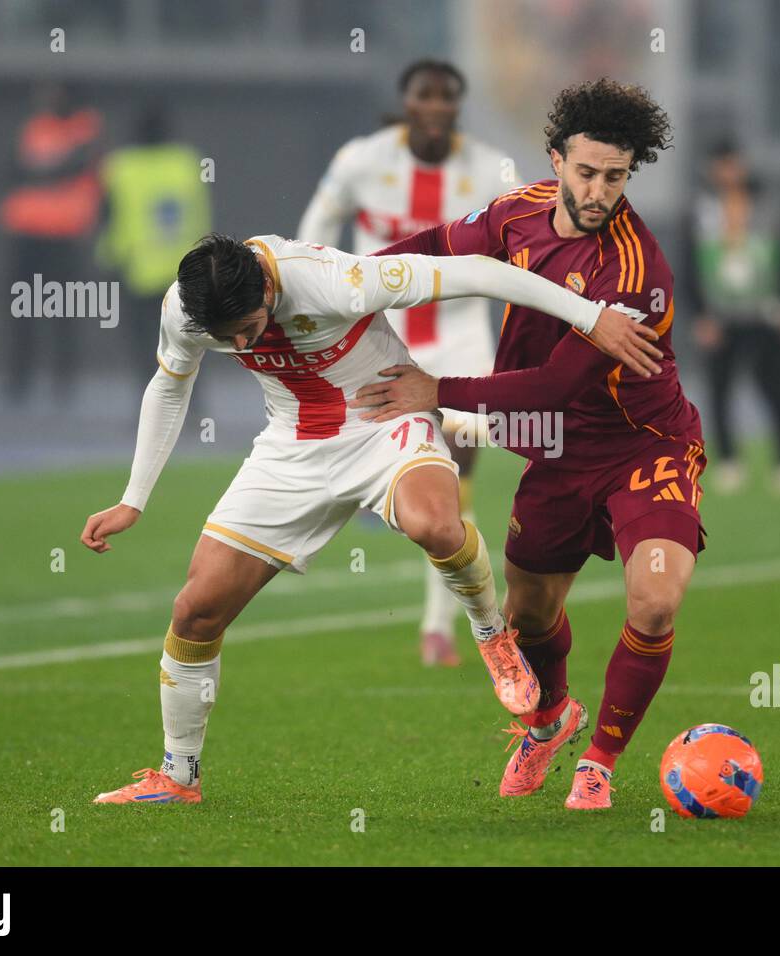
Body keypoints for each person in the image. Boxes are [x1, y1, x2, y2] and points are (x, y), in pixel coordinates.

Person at [81, 232, 661, 804]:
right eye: (224, 336)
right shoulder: (186, 310)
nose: (237, 341)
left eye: (246, 327)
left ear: (264, 286)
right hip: (291, 447)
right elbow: (169, 384)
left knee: (433, 523)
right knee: (195, 610)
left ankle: (492, 635)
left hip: (383, 419)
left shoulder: (336, 279)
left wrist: (591, 317)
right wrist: (134, 499)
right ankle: (178, 777)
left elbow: (483, 273)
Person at [354, 79, 704, 811]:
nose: (599, 190)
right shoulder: (519, 212)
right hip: (557, 455)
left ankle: (600, 762)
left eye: (616, 176)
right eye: (586, 171)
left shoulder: (637, 275)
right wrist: (354, 285)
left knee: (656, 602)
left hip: (646, 448)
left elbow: (551, 386)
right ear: (556, 159)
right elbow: (437, 249)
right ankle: (551, 721)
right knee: (531, 617)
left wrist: (434, 389)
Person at [297, 59, 517, 668]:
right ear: (408, 101)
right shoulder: (361, 160)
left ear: (458, 106)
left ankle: (437, 625)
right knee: (345, 460)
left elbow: (528, 246)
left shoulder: (494, 170)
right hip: (380, 337)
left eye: (450, 97)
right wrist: (308, 302)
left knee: (456, 478)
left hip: (460, 338)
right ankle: (377, 494)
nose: (438, 107)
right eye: (426, 96)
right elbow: (315, 230)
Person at [685, 139, 780, 495]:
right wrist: (700, 315)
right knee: (719, 391)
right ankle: (729, 463)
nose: (728, 172)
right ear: (711, 169)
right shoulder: (700, 209)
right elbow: (690, 265)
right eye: (721, 164)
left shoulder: (769, 205)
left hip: (766, 314)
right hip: (721, 316)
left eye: (733, 163)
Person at [0, 82, 103, 401]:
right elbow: (12, 169)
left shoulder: (87, 127)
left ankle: (63, 383)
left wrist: (38, 171)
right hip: (27, 232)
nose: (48, 100)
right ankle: (20, 380)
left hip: (65, 235)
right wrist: (44, 171)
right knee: (23, 310)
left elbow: (74, 166)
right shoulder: (35, 127)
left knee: (64, 311)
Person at [97, 102, 212, 386]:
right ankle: (192, 402)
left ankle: (150, 400)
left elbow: (109, 218)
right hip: (185, 269)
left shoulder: (120, 167)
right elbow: (201, 214)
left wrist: (107, 259)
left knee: (145, 342)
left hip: (138, 269)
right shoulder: (187, 162)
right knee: (189, 339)